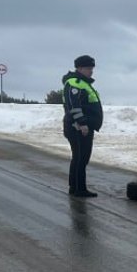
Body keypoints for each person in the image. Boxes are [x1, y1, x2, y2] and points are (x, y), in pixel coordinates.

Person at [62, 55, 103, 197]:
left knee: (80, 158)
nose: (91, 71)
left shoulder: (83, 83)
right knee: (80, 158)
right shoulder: (74, 83)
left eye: (92, 68)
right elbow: (74, 106)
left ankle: (75, 187)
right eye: (88, 68)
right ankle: (79, 189)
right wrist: (82, 123)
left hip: (83, 127)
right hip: (78, 128)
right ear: (79, 68)